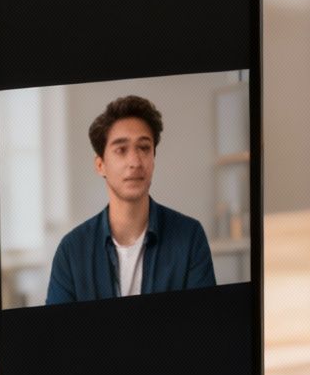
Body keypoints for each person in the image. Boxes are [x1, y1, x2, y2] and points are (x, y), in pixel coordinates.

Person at [45, 94, 216, 304]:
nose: (135, 161)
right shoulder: (71, 251)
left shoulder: (190, 237)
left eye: (144, 148)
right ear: (100, 165)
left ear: (154, 158)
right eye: (121, 150)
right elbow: (58, 334)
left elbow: (203, 326)